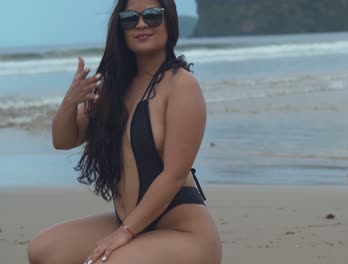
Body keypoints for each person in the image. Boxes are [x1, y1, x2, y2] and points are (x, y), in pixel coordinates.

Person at [27, 0, 222, 263]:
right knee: (44, 250)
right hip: (133, 225)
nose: (141, 24)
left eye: (152, 16)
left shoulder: (181, 85)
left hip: (182, 233)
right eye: (130, 18)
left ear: (169, 22)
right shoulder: (114, 88)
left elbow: (174, 175)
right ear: (120, 28)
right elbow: (63, 140)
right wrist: (69, 103)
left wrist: (125, 232)